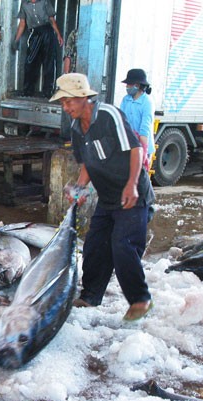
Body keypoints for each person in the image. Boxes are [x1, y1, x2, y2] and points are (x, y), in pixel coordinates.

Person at [49, 73, 155, 321]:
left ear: (84, 97)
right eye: (62, 103)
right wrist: (80, 188)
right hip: (107, 198)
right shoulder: (76, 129)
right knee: (95, 246)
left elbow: (135, 148)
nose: (66, 108)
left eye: (69, 101)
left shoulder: (108, 115)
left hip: (132, 194)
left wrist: (131, 184)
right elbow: (87, 163)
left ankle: (140, 300)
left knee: (123, 246)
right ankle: (91, 296)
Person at [11, 0, 63, 98]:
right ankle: (27, 90)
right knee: (30, 62)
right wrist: (16, 39)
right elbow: (22, 23)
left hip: (47, 31)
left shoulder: (45, 2)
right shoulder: (24, 4)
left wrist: (58, 34)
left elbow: (51, 19)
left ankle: (48, 91)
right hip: (35, 33)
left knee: (48, 62)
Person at [120, 68, 155, 171]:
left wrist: (143, 152)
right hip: (129, 145)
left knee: (139, 179)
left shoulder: (147, 102)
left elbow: (145, 129)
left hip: (142, 145)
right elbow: (121, 121)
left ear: (137, 85)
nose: (127, 87)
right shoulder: (126, 99)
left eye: (129, 84)